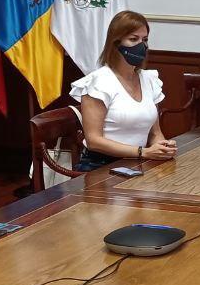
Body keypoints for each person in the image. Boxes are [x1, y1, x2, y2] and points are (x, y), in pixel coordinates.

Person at [70, 11, 176, 171]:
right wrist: (143, 152)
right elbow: (94, 140)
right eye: (133, 39)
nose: (142, 45)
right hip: (101, 167)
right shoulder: (99, 83)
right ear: (116, 43)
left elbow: (155, 133)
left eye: (145, 40)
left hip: (137, 164)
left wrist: (162, 147)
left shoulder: (148, 80)